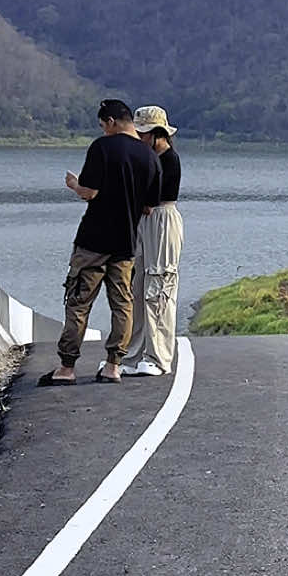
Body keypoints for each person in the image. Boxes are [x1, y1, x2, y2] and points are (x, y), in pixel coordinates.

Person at [38, 99, 161, 386]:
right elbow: (149, 207)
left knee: (79, 302)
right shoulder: (150, 157)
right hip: (126, 243)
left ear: (110, 121)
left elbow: (89, 193)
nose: (103, 130)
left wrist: (73, 184)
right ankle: (113, 365)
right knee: (122, 304)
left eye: (103, 125)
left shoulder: (102, 148)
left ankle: (67, 368)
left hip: (93, 241)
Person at [123, 104, 184, 378]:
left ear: (158, 134)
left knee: (158, 287)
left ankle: (158, 357)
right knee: (138, 288)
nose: (140, 138)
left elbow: (152, 199)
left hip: (162, 219)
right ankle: (134, 353)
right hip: (145, 222)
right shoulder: (148, 158)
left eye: (144, 134)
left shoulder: (169, 160)